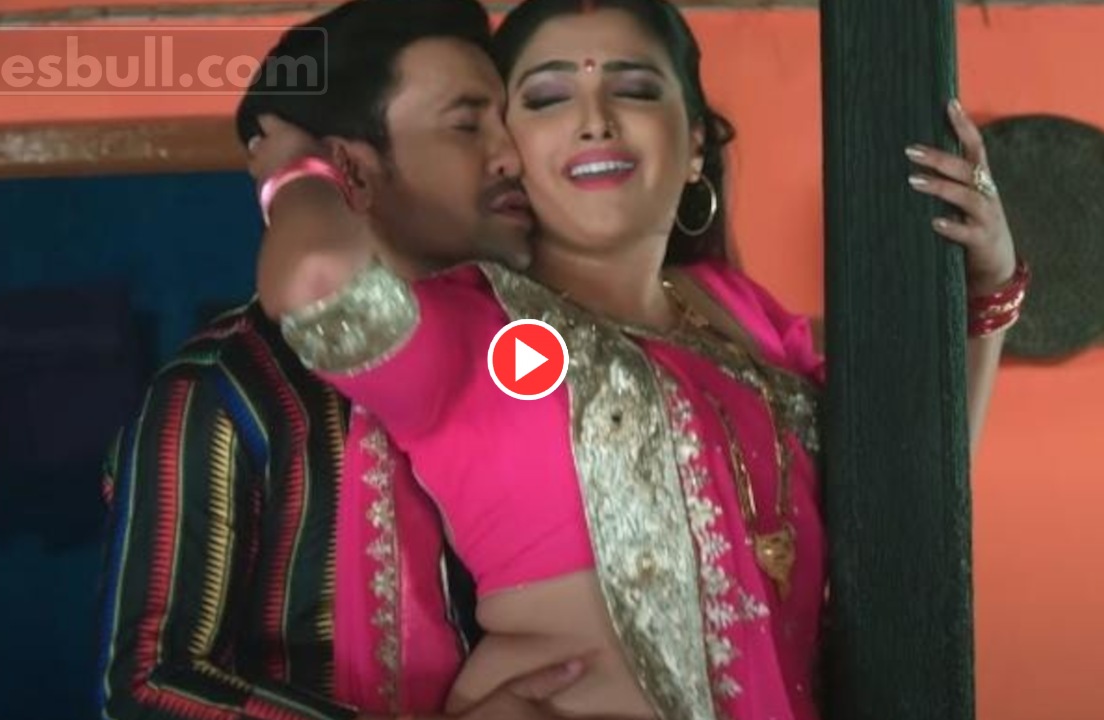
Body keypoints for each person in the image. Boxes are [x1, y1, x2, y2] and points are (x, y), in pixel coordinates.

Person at [255, 0, 1024, 718]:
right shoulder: (486, 335)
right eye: (548, 98)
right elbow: (320, 282)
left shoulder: (744, 317)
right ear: (511, 152)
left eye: (634, 89)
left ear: (694, 144)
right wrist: (296, 163)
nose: (595, 120)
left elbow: (909, 494)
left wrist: (986, 290)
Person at [94, 0, 596, 718]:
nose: (510, 156)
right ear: (350, 171)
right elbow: (150, 686)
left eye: (507, 123)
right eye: (467, 125)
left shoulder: (520, 352)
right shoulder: (226, 389)